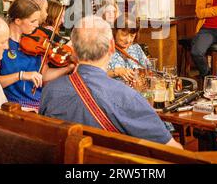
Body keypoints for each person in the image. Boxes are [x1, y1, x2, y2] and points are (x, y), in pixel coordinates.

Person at [39, 16, 182, 149]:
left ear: (74, 51)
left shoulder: (50, 91)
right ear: (112, 47)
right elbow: (175, 150)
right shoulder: (128, 98)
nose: (128, 39)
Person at [0, 0, 73, 111]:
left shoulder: (37, 43)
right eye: (33, 21)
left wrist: (68, 68)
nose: (37, 25)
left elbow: (44, 75)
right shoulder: (1, 44)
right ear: (18, 21)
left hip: (39, 104)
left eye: (37, 20)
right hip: (13, 106)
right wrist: (21, 75)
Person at [107, 14, 149, 84]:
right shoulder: (104, 50)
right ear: (115, 31)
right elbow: (95, 76)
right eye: (124, 35)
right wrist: (116, 71)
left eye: (132, 36)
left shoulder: (136, 48)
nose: (128, 40)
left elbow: (149, 70)